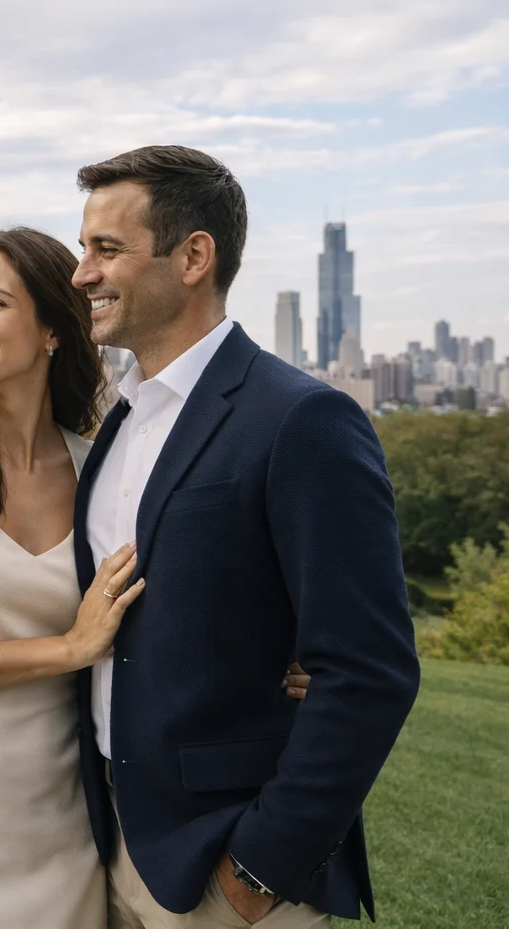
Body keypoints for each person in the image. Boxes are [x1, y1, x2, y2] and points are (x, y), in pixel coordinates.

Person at [0, 227, 309, 928]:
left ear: (56, 330)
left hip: (65, 821)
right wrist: (66, 648)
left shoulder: (106, 467)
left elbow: (174, 606)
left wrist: (280, 655)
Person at [71, 145, 420, 928]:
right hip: (108, 841)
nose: (81, 274)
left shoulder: (301, 420)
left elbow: (368, 671)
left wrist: (258, 869)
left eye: (106, 249)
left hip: (225, 869)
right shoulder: (120, 420)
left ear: (194, 256)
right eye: (82, 248)